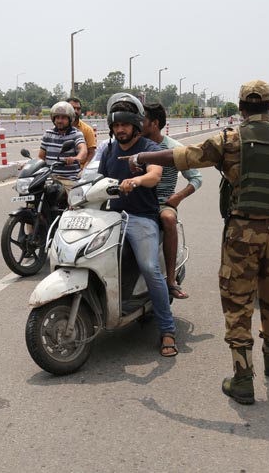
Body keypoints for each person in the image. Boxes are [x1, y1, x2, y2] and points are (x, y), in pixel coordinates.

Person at [120, 81, 269, 403]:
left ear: (240, 108)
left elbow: (183, 156)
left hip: (243, 233)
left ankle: (242, 378)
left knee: (238, 301)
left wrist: (141, 156)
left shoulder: (232, 139)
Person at [98, 94, 178, 358]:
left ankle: (167, 329)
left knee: (149, 267)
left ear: (134, 124)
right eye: (115, 125)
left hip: (141, 217)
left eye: (124, 124)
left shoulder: (148, 149)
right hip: (111, 217)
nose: (120, 129)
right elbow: (95, 179)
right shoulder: (109, 150)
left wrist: (138, 180)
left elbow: (155, 175)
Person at [142, 102, 202, 299]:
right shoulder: (133, 144)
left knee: (168, 219)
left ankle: (170, 279)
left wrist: (177, 197)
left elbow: (196, 178)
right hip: (134, 200)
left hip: (161, 202)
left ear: (154, 123)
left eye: (142, 119)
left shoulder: (174, 149)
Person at [38, 101, 87, 183]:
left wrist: (75, 158)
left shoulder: (76, 134)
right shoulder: (48, 134)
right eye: (57, 117)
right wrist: (29, 165)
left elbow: (83, 150)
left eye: (63, 118)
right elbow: (41, 157)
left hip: (69, 179)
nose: (60, 121)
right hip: (50, 178)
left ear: (70, 119)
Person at [66, 97, 97, 165]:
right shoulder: (58, 129)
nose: (76, 111)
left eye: (78, 109)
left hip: (80, 171)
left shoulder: (87, 129)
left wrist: (84, 169)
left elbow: (91, 152)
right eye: (73, 108)